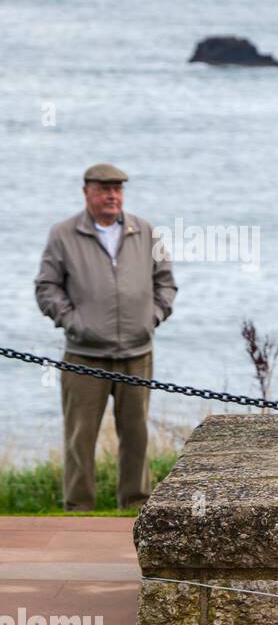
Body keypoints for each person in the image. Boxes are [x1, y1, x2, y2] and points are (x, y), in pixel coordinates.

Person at [34, 164, 177, 511]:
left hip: (137, 351)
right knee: (80, 439)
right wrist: (72, 322)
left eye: (117, 189)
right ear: (87, 192)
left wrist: (152, 318)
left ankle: (135, 506)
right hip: (84, 355)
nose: (112, 196)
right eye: (104, 189)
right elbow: (46, 287)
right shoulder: (63, 234)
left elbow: (166, 283)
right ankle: (78, 509)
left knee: (136, 436)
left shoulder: (145, 231)